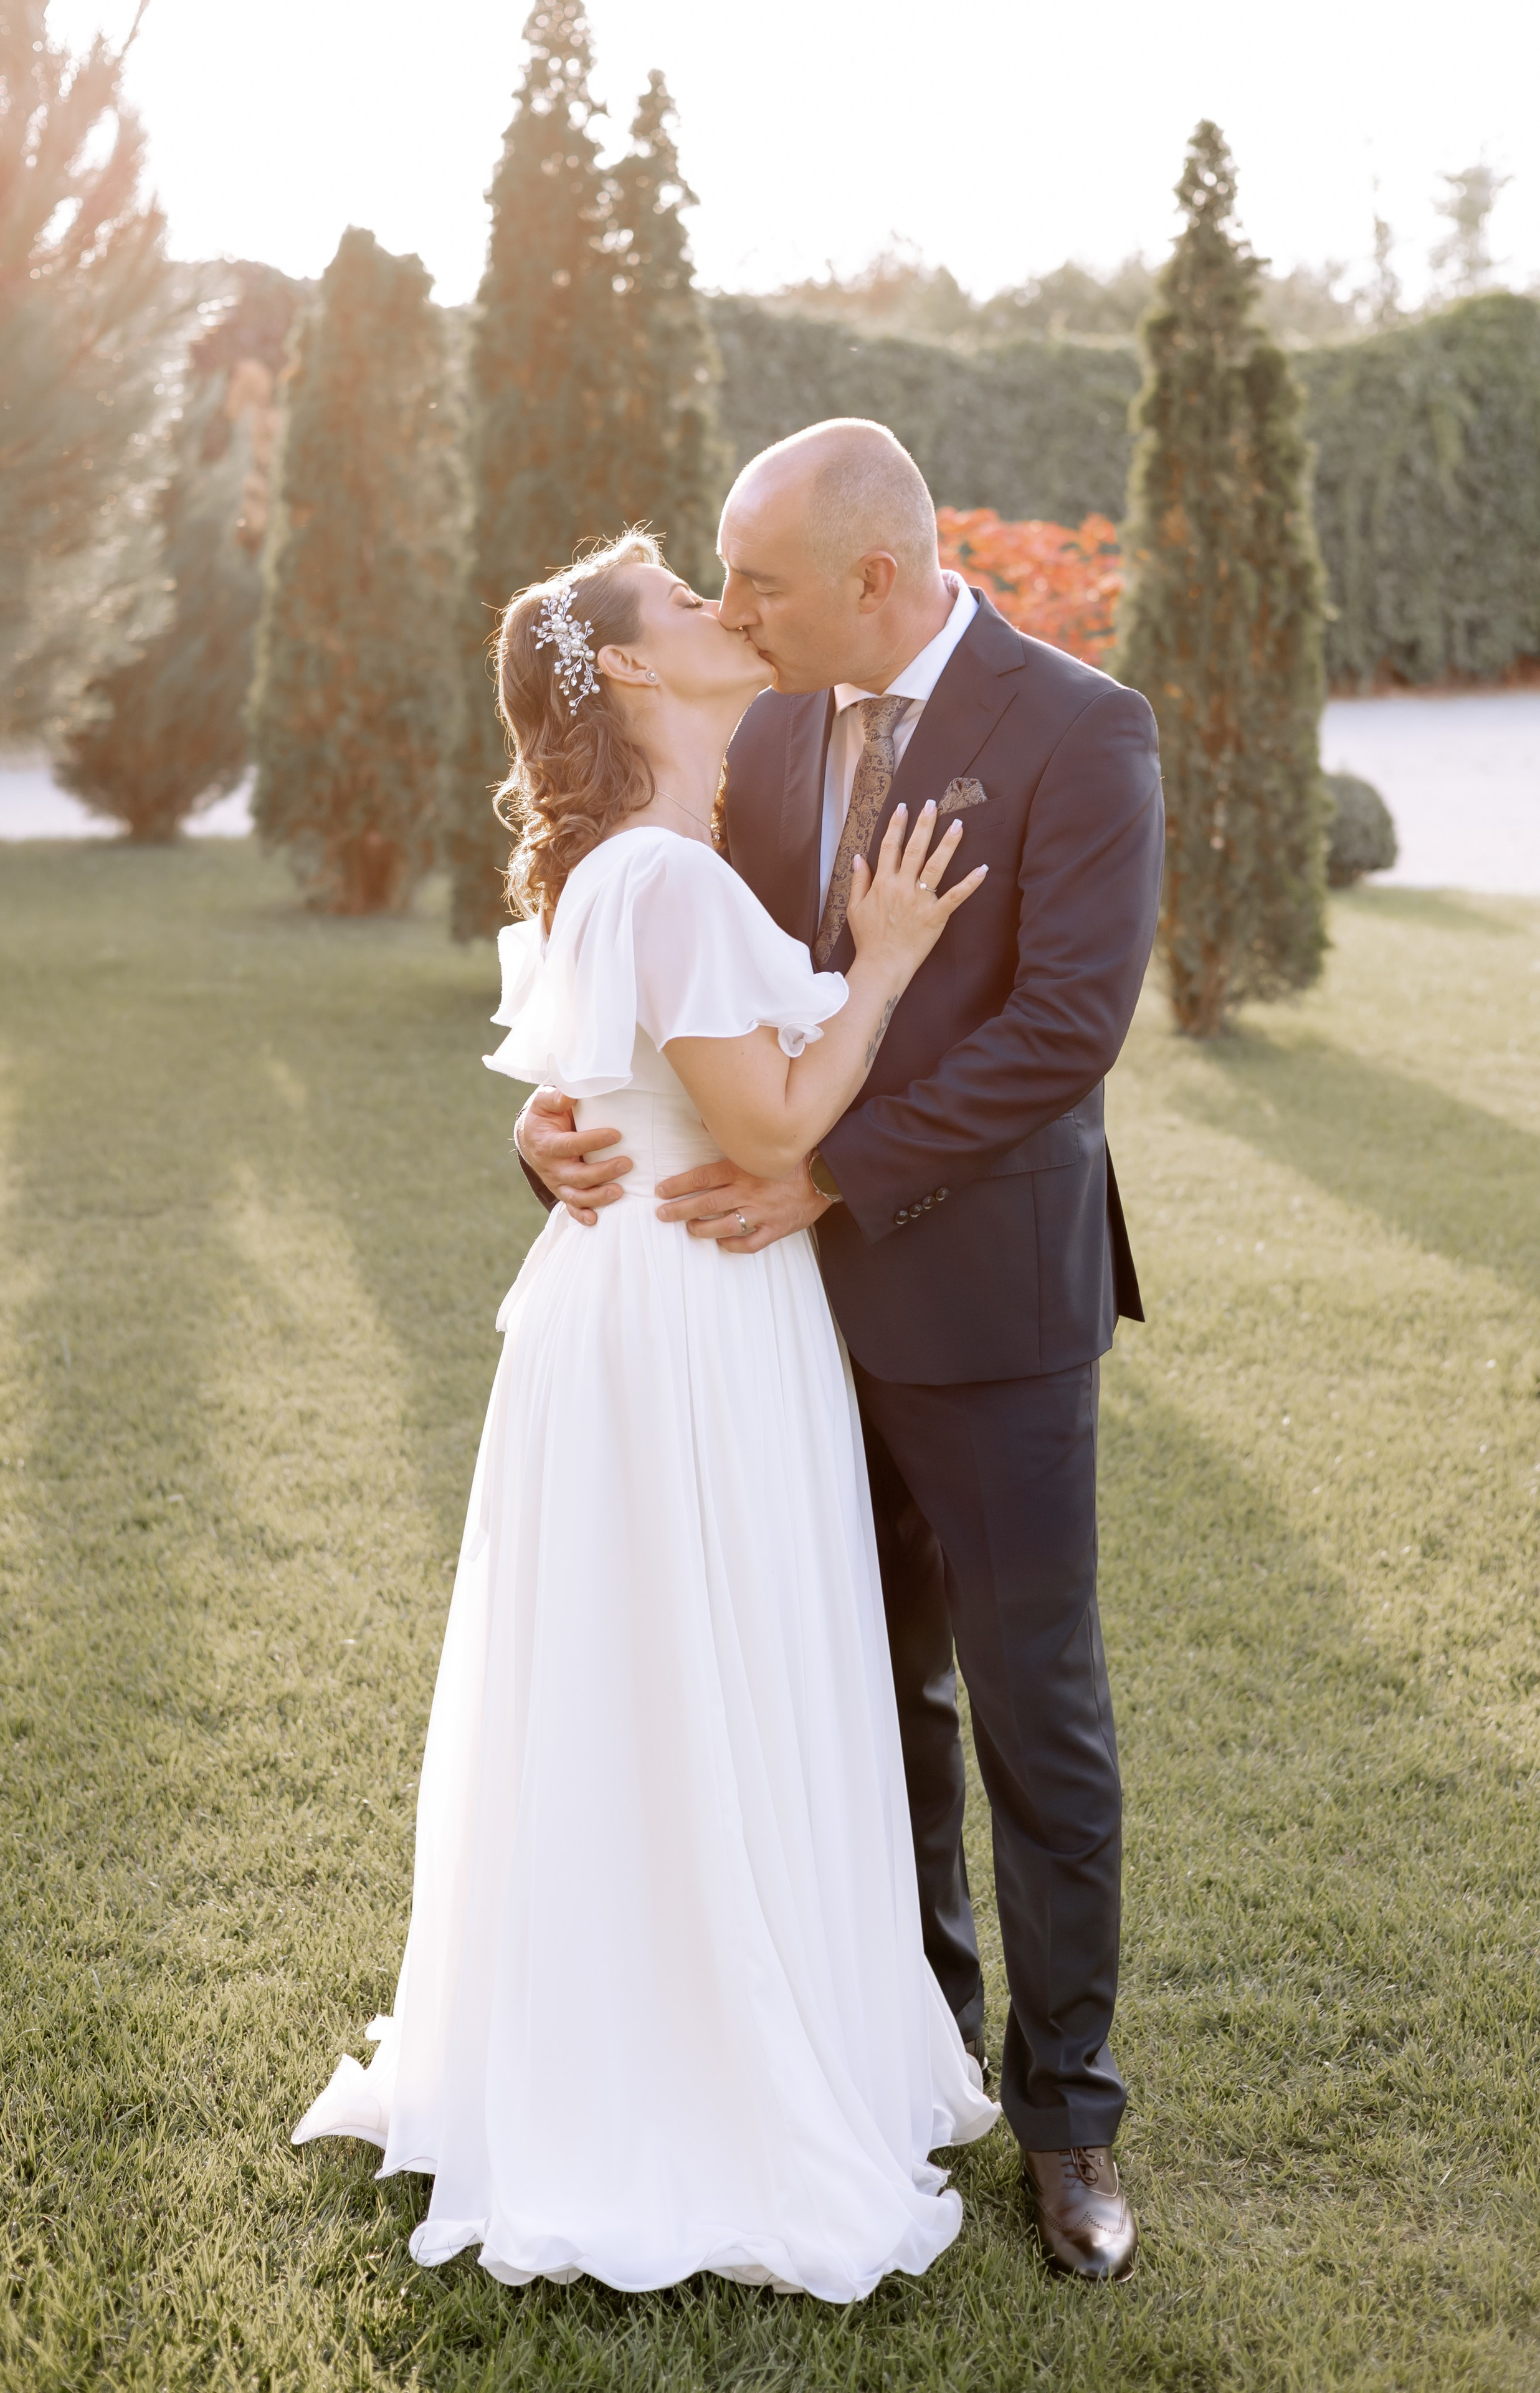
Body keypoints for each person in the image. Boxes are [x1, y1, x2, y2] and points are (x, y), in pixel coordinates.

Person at [292, 530, 1000, 2299]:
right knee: (700, 1662)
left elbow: (586, 1082)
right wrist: (894, 961)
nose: (724, 609)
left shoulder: (633, 864)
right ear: (624, 670)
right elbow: (763, 1131)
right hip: (689, 1317)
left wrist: (558, 1129)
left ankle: (627, 2031)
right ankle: (697, 2077)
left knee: (644, 1677)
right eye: (688, 602)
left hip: (639, 1314)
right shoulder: (664, 883)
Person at [517, 421, 1166, 2282]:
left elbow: (1065, 1028)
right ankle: (913, 2066)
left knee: (1035, 1707)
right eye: (721, 583)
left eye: (766, 581)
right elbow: (656, 975)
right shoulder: (764, 724)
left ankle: (1070, 2124)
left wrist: (826, 1180)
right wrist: (551, 1133)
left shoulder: (1080, 728)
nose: (737, 611)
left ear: (877, 576)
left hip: (988, 1315)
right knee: (861, 1699)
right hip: (774, 1338)